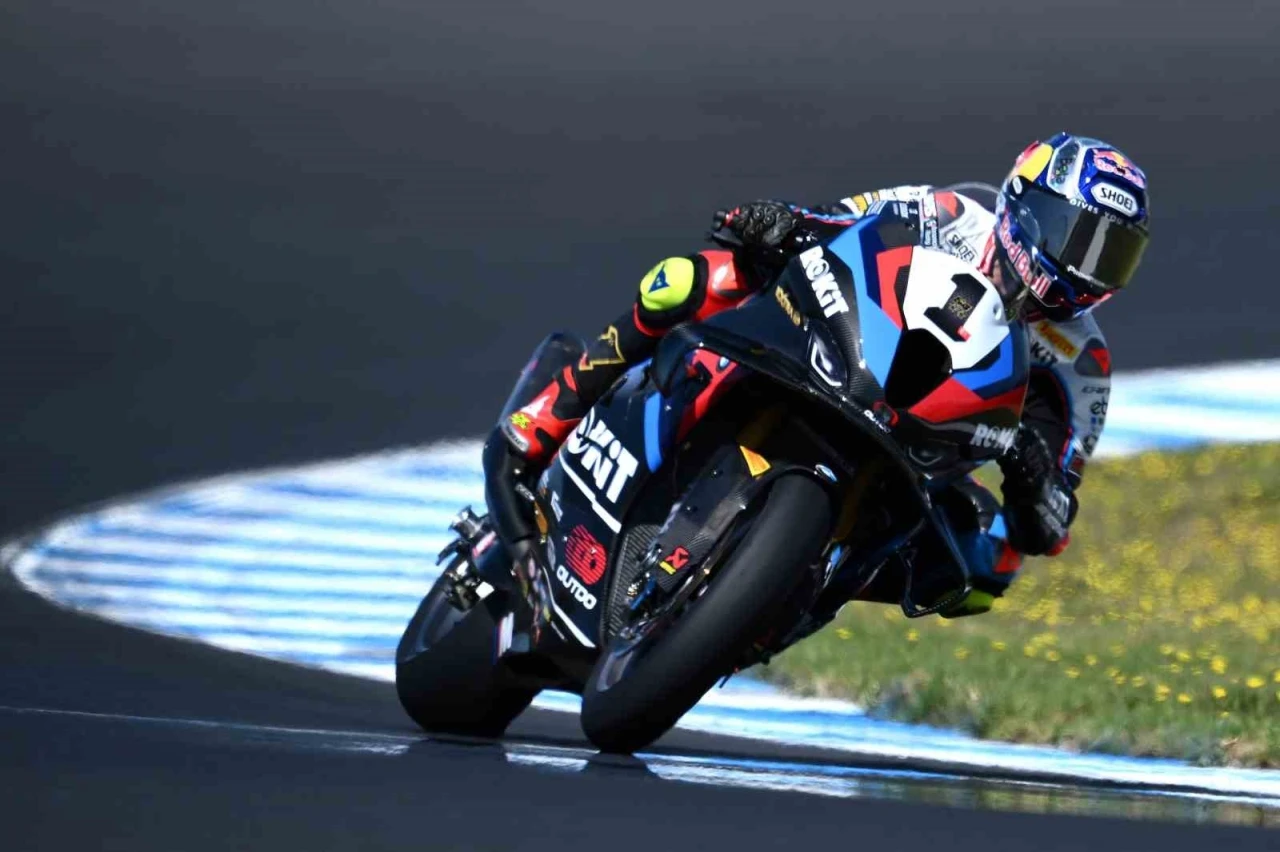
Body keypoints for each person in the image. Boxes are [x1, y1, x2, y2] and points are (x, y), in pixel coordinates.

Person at [500, 132, 1150, 615]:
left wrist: (1036, 478)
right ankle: (545, 419)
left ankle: (794, 589)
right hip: (843, 355)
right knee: (694, 279)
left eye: (1111, 254)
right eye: (1078, 235)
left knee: (991, 564)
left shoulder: (1080, 361)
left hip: (925, 457)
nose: (1087, 266)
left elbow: (1052, 523)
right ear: (1026, 205)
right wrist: (781, 222)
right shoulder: (951, 213)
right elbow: (841, 219)